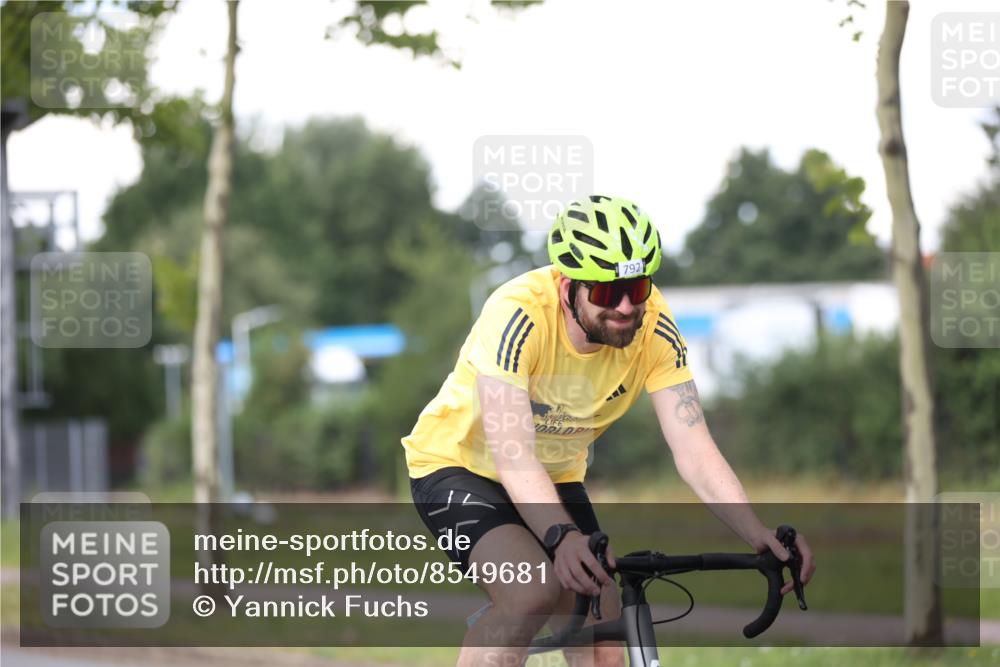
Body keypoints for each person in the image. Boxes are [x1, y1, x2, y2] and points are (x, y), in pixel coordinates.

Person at [402, 195, 815, 667]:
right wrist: (561, 537)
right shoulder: (518, 314)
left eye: (637, 288)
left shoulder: (654, 326)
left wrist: (755, 531)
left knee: (604, 639)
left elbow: (695, 449)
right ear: (567, 289)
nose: (625, 306)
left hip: (554, 476)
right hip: (458, 467)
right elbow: (512, 454)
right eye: (604, 293)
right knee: (531, 592)